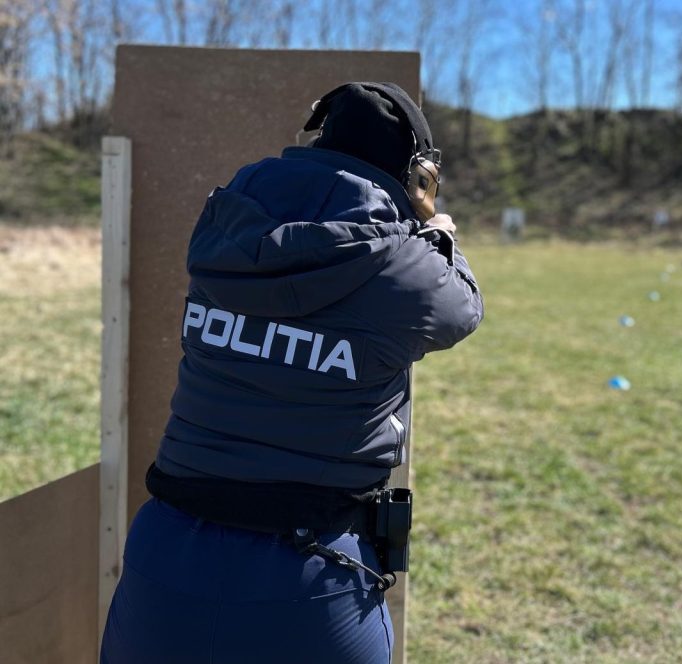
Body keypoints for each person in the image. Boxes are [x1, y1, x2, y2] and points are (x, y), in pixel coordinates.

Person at [100, 82, 483, 664]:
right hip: (314, 572)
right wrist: (436, 235)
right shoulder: (408, 265)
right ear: (417, 177)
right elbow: (463, 310)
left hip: (165, 552)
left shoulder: (224, 227)